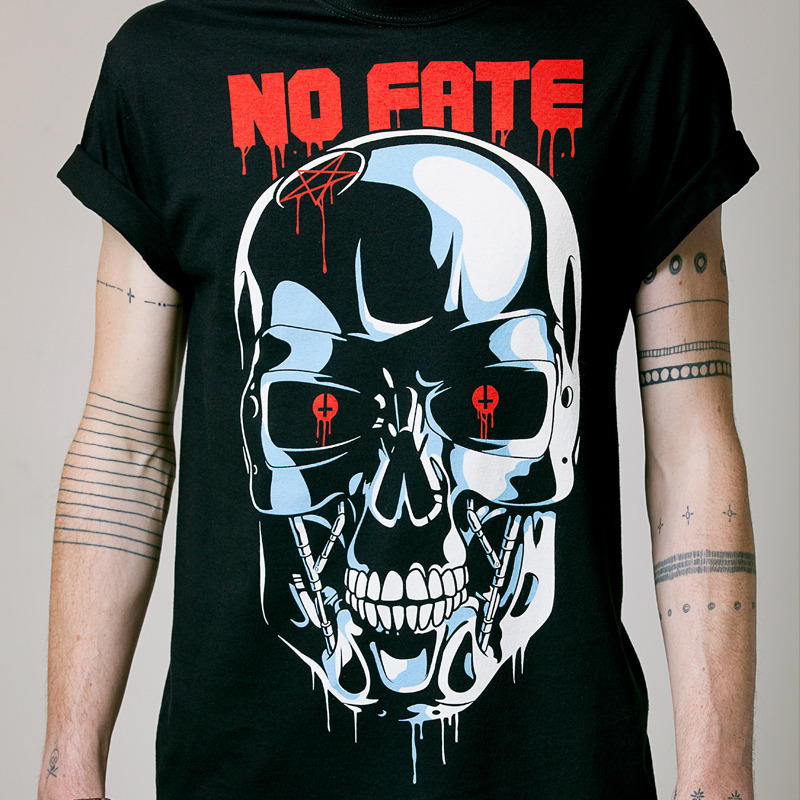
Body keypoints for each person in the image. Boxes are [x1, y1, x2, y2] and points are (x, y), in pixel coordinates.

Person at [38, 0, 759, 797]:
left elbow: (692, 445)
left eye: (490, 402)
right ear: (255, 421)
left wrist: (719, 777)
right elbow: (123, 442)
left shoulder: (643, 50)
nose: (404, 506)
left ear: (560, 414)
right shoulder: (166, 66)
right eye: (321, 409)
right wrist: (68, 770)